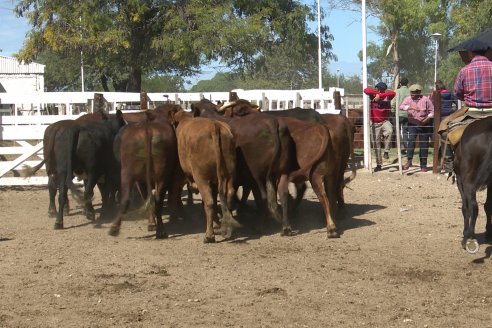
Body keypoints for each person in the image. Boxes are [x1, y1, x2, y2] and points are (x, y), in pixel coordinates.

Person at [399, 84, 434, 172]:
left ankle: (423, 165)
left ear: (419, 92)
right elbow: (401, 106)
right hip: (412, 124)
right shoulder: (408, 99)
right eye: (411, 92)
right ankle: (409, 161)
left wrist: (427, 119)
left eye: (414, 92)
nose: (412, 94)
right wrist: (410, 107)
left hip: (424, 125)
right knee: (410, 141)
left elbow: (432, 111)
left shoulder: (426, 99)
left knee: (424, 144)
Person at [364, 82, 396, 172]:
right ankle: (379, 164)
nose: (380, 90)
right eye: (379, 89)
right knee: (376, 145)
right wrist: (376, 95)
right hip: (374, 123)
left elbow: (393, 93)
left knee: (390, 130)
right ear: (377, 88)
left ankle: (386, 150)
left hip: (385, 121)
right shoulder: (372, 95)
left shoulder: (387, 96)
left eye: (382, 89)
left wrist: (381, 96)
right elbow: (365, 90)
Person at [433, 80, 458, 173]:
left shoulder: (434, 95)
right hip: (449, 118)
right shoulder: (450, 94)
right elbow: (456, 103)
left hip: (438, 119)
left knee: (438, 141)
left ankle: (440, 164)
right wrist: (453, 112)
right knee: (448, 140)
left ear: (437, 87)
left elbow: (432, 106)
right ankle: (449, 165)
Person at [391, 77, 410, 154]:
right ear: (407, 83)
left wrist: (392, 110)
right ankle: (406, 146)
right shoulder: (409, 92)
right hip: (407, 114)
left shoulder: (397, 91)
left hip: (398, 114)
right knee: (405, 131)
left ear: (400, 83)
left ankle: (401, 145)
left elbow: (393, 102)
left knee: (397, 130)